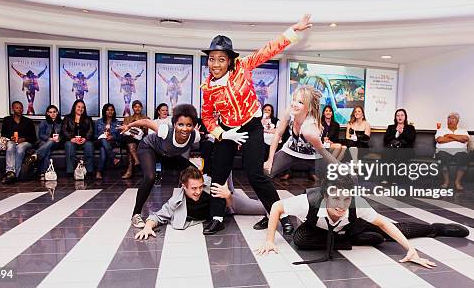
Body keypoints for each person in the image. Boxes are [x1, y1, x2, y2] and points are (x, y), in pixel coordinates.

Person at [200, 14, 312, 235]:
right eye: (212, 58)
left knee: (255, 174)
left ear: (230, 60)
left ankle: (279, 214)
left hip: (252, 127)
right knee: (218, 174)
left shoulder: (242, 67)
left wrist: (294, 29)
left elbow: (268, 49)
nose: (216, 64)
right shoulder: (207, 88)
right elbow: (207, 117)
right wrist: (223, 134)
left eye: (221, 59)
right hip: (228, 132)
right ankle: (216, 216)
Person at [255, 176, 469, 266]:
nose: (341, 204)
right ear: (325, 196)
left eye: (346, 199)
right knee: (300, 240)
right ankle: (358, 240)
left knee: (384, 232)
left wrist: (410, 249)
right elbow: (276, 207)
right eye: (336, 198)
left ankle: (435, 229)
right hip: (318, 229)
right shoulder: (308, 202)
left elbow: (385, 224)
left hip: (351, 226)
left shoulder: (357, 205)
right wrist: (270, 240)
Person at [121, 104, 201, 229]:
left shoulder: (195, 136)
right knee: (150, 177)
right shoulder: (165, 130)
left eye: (189, 125)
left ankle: (190, 207)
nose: (184, 129)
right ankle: (136, 214)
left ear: (193, 126)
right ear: (174, 124)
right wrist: (128, 126)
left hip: (166, 155)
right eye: (181, 124)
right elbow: (146, 122)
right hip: (149, 148)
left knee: (194, 172)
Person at [134, 166, 265, 238]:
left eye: (200, 187)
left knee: (265, 209)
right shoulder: (176, 201)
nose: (198, 191)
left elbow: (229, 205)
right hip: (225, 200)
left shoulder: (208, 185)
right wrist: (147, 228)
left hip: (229, 201)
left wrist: (227, 195)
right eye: (193, 188)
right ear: (183, 187)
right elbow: (157, 216)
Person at [265, 86, 339, 185]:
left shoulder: (309, 129)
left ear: (309, 108)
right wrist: (270, 159)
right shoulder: (289, 112)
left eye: (300, 102)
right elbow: (278, 133)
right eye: (294, 100)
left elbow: (323, 152)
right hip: (290, 151)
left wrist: (341, 168)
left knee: (338, 179)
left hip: (313, 156)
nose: (294, 104)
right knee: (265, 172)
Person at [1, 101, 37, 184]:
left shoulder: (28, 121)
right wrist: (11, 137)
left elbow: (33, 138)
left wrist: (23, 139)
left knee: (20, 148)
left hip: (25, 142)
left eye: (21, 108)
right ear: (13, 109)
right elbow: (3, 134)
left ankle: (15, 174)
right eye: (17, 108)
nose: (19, 110)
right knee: (10, 145)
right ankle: (10, 171)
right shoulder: (7, 120)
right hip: (12, 141)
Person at [435, 112, 470, 191]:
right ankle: (446, 181)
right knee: (442, 155)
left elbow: (465, 139)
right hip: (444, 151)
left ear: (457, 121)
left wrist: (450, 135)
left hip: (460, 152)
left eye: (453, 118)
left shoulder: (463, 131)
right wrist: (458, 138)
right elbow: (440, 140)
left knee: (464, 156)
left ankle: (457, 182)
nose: (450, 120)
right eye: (449, 118)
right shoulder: (441, 130)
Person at [61, 100, 95, 178]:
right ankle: (70, 171)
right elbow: (64, 130)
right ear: (74, 107)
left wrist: (85, 138)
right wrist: (71, 138)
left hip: (84, 141)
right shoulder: (67, 118)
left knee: (89, 145)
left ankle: (89, 171)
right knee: (69, 145)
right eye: (78, 107)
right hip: (72, 141)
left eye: (82, 107)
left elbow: (91, 131)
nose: (81, 109)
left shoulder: (88, 119)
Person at [121, 100, 149, 179]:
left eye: (139, 107)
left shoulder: (146, 118)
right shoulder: (127, 118)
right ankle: (136, 160)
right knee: (130, 141)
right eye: (135, 107)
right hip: (129, 138)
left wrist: (140, 129)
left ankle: (130, 170)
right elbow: (124, 130)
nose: (137, 108)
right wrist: (130, 132)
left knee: (131, 147)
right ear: (133, 108)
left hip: (141, 138)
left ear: (142, 108)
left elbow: (147, 131)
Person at [35, 105, 62, 179]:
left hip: (56, 143)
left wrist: (59, 138)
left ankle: (36, 155)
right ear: (47, 113)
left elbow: (63, 135)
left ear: (57, 113)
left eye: (54, 112)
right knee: (47, 150)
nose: (53, 114)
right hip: (45, 142)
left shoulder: (60, 123)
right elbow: (41, 135)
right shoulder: (44, 122)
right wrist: (49, 139)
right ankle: (44, 173)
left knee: (50, 143)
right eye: (50, 112)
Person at [94, 103, 121, 179]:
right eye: (108, 110)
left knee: (103, 149)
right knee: (103, 140)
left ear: (114, 111)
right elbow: (95, 136)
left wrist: (112, 137)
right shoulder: (98, 122)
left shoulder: (117, 123)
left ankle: (99, 172)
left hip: (112, 142)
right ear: (104, 111)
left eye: (112, 110)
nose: (110, 111)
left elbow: (120, 137)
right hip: (99, 142)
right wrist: (103, 136)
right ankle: (113, 158)